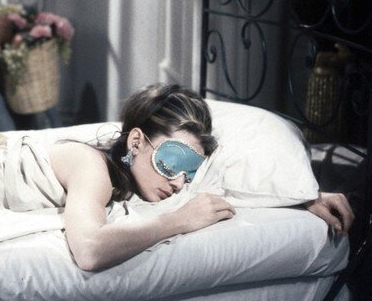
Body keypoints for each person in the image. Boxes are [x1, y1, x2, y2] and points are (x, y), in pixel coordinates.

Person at [48, 83, 355, 271]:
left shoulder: (129, 172)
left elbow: (233, 182)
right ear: (136, 142)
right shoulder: (91, 166)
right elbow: (90, 251)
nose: (178, 183)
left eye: (189, 173)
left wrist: (304, 197)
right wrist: (178, 220)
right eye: (171, 164)